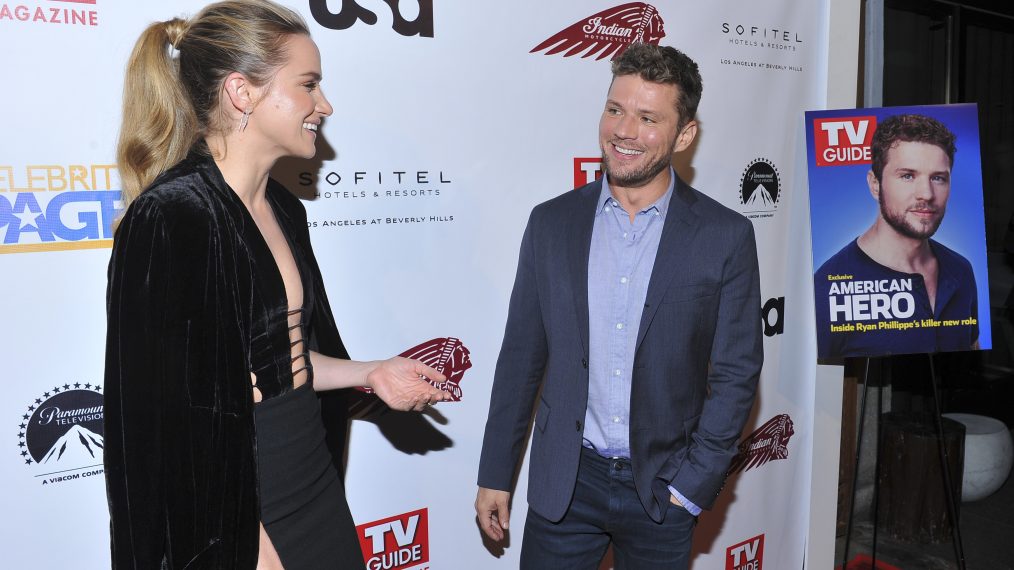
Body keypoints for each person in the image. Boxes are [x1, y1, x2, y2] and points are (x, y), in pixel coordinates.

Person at [103, 1, 451, 568]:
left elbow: (282, 364)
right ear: (241, 92)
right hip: (234, 507)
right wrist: (254, 549)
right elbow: (168, 429)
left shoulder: (284, 208)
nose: (325, 105)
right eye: (308, 85)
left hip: (310, 476)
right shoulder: (174, 217)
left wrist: (371, 373)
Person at [475, 43, 762, 569]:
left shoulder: (725, 237)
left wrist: (692, 488)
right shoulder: (551, 224)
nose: (624, 131)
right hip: (565, 483)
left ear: (685, 134)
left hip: (662, 489)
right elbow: (520, 357)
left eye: (648, 118)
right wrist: (496, 471)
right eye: (615, 109)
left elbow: (737, 373)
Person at [813, 114, 979, 358]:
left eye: (938, 178)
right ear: (875, 184)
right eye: (908, 176)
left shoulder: (961, 269)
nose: (926, 194)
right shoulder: (829, 286)